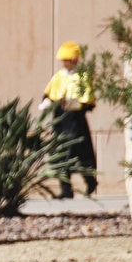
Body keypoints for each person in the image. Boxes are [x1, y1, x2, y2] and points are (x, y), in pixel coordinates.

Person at [39, 42, 96, 198]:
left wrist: (79, 104)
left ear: (75, 59)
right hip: (60, 121)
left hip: (76, 121)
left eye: (67, 60)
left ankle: (90, 181)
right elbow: (49, 94)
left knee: (82, 154)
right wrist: (47, 102)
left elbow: (89, 100)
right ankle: (65, 189)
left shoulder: (83, 76)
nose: (64, 63)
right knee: (61, 153)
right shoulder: (58, 76)